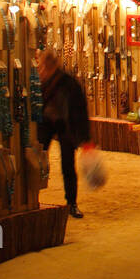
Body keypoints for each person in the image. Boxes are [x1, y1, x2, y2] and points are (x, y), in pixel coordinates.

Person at [36, 47, 91, 219]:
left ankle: (71, 202)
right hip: (46, 125)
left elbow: (80, 110)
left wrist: (84, 136)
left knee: (67, 165)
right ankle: (33, 198)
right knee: (38, 162)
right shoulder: (42, 83)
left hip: (65, 125)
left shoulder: (68, 83)